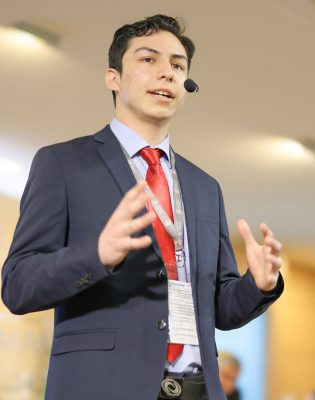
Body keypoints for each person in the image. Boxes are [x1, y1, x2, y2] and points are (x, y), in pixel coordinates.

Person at [1, 14, 284, 400]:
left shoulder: (205, 187)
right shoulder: (63, 164)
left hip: (198, 389)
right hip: (102, 388)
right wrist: (97, 254)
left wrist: (259, 285)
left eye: (178, 66)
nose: (167, 72)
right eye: (149, 59)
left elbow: (221, 309)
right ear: (113, 78)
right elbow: (18, 286)